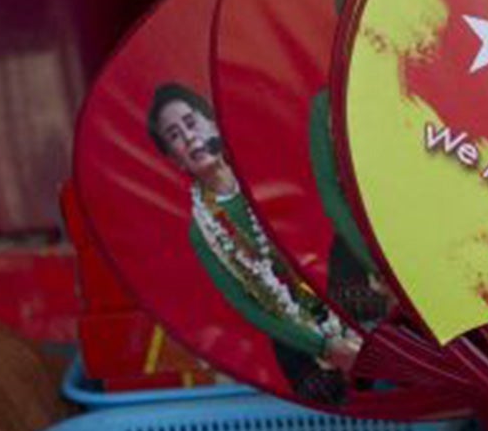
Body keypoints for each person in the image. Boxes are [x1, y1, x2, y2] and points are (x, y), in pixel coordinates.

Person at [147, 83, 361, 404]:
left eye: (191, 123)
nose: (189, 137)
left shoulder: (265, 174)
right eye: (175, 135)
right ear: (175, 160)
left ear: (213, 124)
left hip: (343, 300)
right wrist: (324, 348)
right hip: (295, 345)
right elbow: (247, 308)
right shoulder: (202, 230)